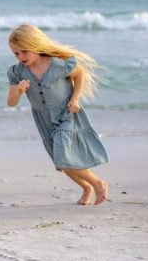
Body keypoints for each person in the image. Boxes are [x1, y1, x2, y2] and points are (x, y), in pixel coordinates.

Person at [7, 24, 109, 205]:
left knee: (63, 157)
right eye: (16, 53)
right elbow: (11, 103)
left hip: (67, 114)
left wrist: (76, 98)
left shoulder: (57, 65)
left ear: (36, 46)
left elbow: (79, 74)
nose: (20, 57)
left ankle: (97, 183)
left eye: (24, 51)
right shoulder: (17, 73)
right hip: (44, 120)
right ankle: (87, 188)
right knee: (61, 162)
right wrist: (19, 91)